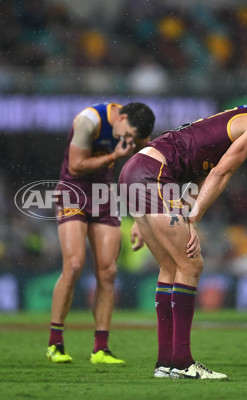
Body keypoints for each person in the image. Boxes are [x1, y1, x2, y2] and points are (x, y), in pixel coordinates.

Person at [119, 102, 247, 379]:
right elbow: (222, 173)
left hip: (137, 170)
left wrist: (151, 215)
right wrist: (193, 220)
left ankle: (166, 364)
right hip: (153, 175)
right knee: (192, 265)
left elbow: (200, 174)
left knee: (171, 268)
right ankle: (182, 363)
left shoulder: (235, 119)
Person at [47, 102, 155, 364]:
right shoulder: (89, 121)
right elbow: (75, 166)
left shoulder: (133, 131)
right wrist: (113, 157)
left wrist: (143, 218)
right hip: (73, 193)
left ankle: (101, 349)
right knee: (73, 266)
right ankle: (55, 343)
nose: (127, 140)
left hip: (104, 196)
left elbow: (147, 169)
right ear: (122, 117)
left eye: (133, 138)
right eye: (127, 134)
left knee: (108, 272)